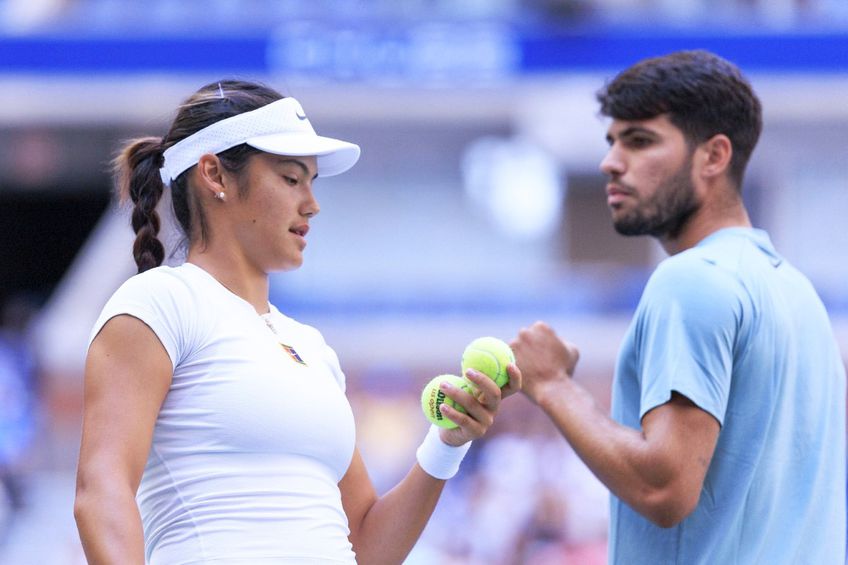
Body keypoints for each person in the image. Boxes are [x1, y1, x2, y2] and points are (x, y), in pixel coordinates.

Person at [73, 79, 520, 565]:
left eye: (312, 182)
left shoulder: (311, 346)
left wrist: (448, 442)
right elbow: (102, 491)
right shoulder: (158, 302)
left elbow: (367, 546)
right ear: (214, 174)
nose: (312, 203)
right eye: (291, 179)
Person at [510, 50, 846, 564]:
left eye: (639, 140)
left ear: (713, 156)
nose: (610, 162)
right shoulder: (797, 293)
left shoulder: (691, 279)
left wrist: (554, 386)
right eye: (611, 141)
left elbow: (663, 488)